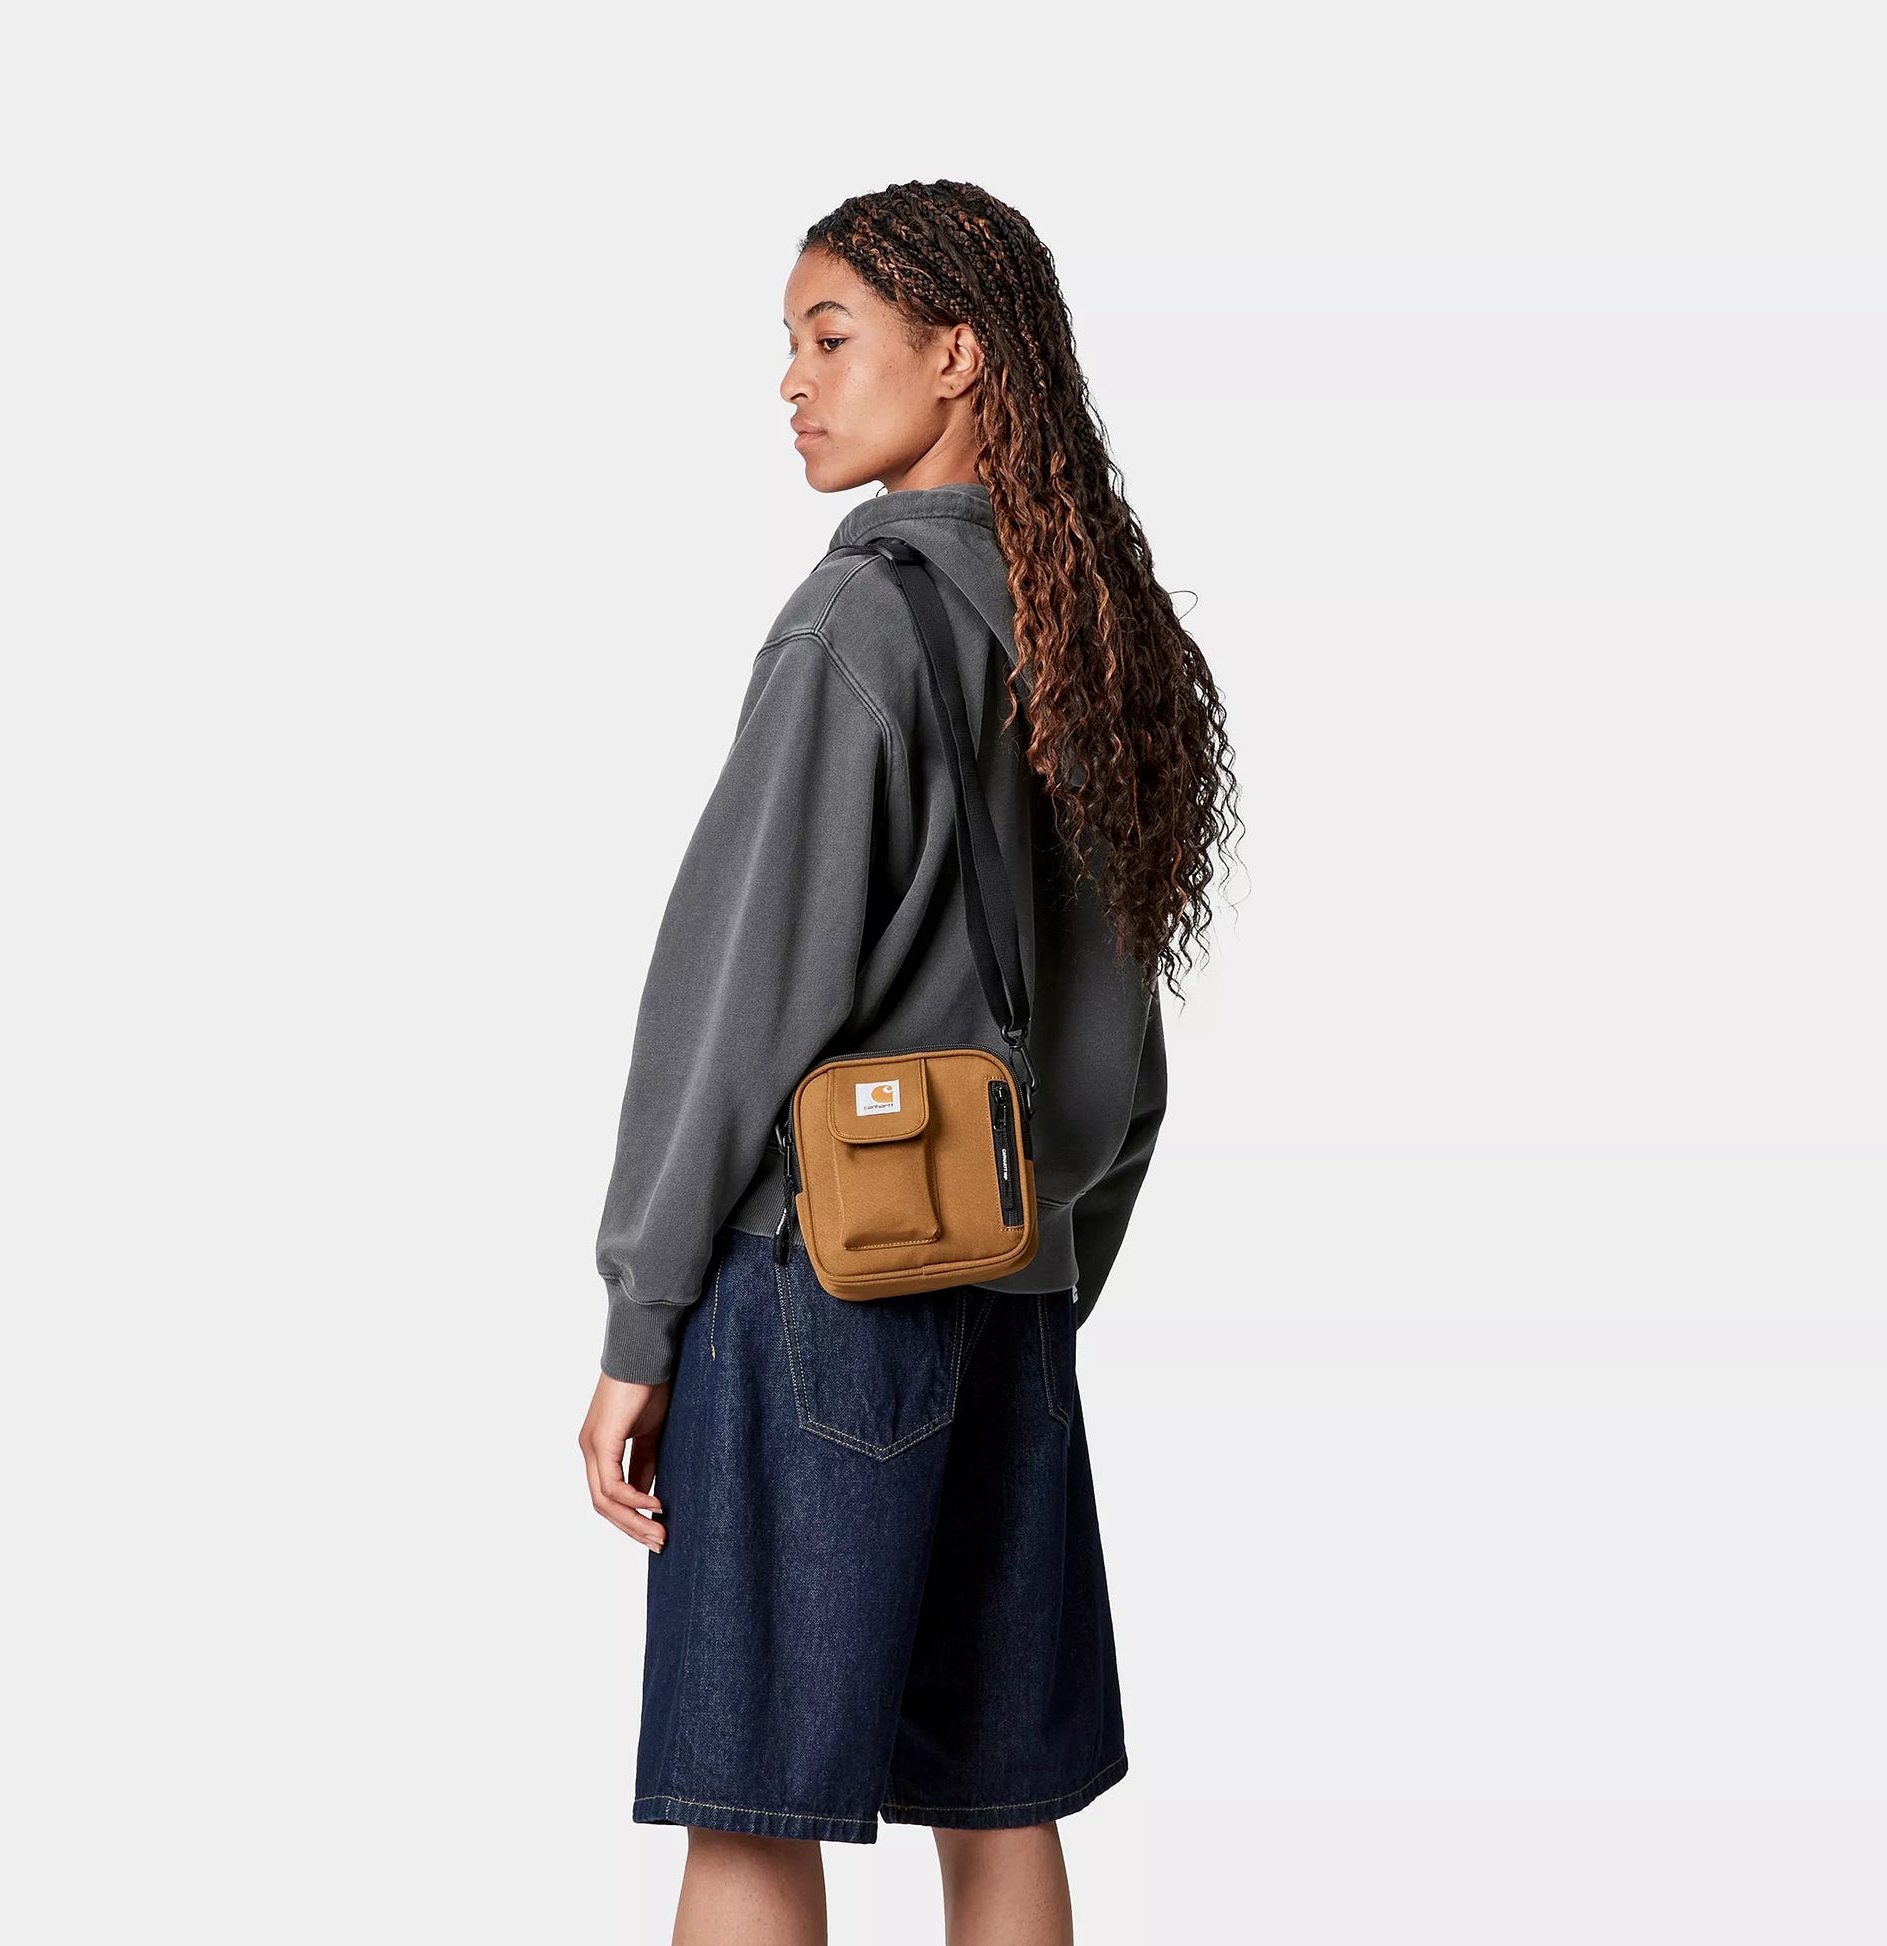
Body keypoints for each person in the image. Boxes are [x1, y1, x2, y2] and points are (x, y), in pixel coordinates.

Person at [579, 179, 1239, 1946]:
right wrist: (1041, 1265)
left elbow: (733, 1003)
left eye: (828, 335)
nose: (790, 382)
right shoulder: (1101, 632)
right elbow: (1123, 1060)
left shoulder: (855, 626)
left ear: (956, 355)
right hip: (1010, 1289)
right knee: (999, 1801)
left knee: (749, 1801)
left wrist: (642, 1319)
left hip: (817, 1286)